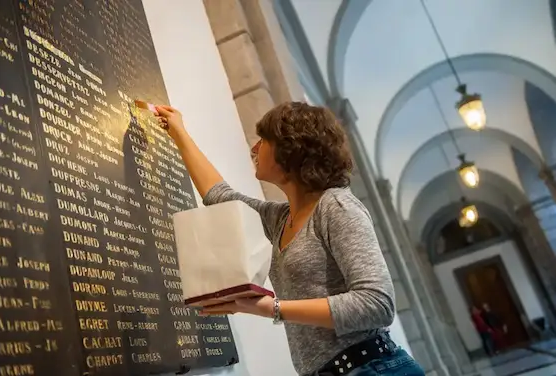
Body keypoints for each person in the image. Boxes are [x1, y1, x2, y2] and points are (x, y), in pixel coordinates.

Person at [154, 102, 424, 376]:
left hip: (373, 369)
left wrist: (272, 308)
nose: (254, 149)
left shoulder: (337, 206)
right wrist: (179, 132)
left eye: (263, 140)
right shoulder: (280, 219)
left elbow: (377, 304)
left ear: (290, 149)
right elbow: (219, 197)